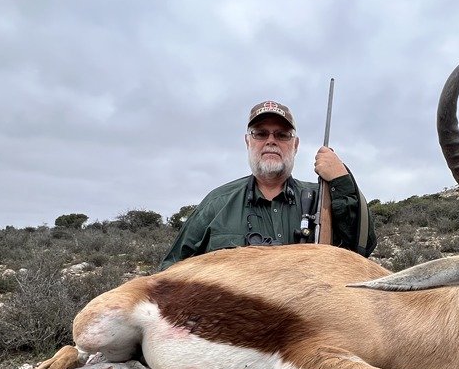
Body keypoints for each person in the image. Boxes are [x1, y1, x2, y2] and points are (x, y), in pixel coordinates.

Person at [160, 100, 377, 270]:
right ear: (248, 141)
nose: (271, 140)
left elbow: (362, 248)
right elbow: (170, 270)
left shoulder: (322, 199)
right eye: (261, 134)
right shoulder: (217, 204)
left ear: (296, 145)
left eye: (282, 135)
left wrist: (342, 181)